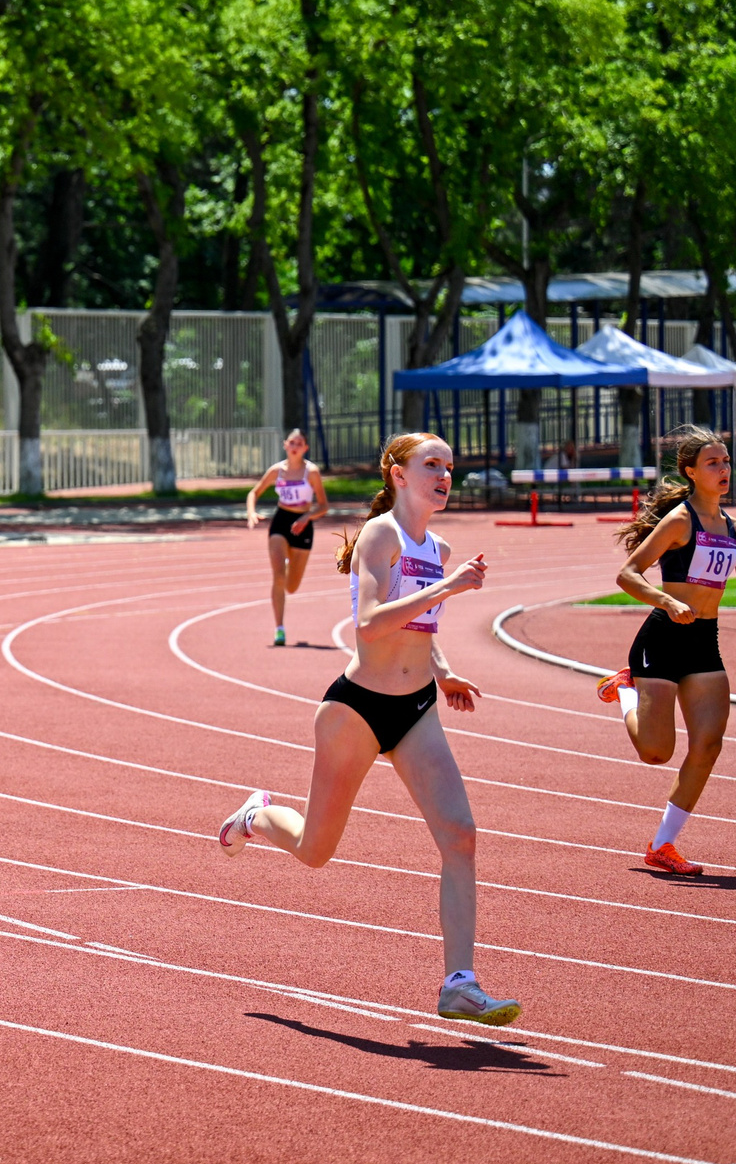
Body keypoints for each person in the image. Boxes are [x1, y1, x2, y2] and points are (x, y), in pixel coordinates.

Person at [214, 434, 519, 1025]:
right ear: (398, 474)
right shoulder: (383, 535)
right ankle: (254, 816)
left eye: (449, 467)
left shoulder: (439, 544)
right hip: (356, 709)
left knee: (460, 835)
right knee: (316, 851)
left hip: (416, 709)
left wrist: (446, 672)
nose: (444, 474)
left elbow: (418, 632)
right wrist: (451, 585)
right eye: (431, 464)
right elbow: (371, 626)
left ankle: (459, 983)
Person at [596, 425, 736, 875]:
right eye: (713, 463)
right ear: (691, 472)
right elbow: (628, 574)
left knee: (709, 744)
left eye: (726, 461)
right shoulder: (681, 520)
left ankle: (663, 844)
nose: (723, 469)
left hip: (704, 641)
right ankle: (624, 689)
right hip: (663, 638)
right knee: (656, 753)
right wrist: (667, 599)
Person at [245, 428, 330, 646]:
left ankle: (288, 562)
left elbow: (323, 505)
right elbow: (254, 492)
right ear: (285, 445)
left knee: (291, 587)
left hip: (303, 525)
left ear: (305, 448)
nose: (295, 446)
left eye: (299, 443)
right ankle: (279, 628)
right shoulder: (277, 471)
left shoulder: (311, 472)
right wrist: (251, 512)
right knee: (278, 576)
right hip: (281, 521)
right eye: (292, 442)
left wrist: (307, 516)